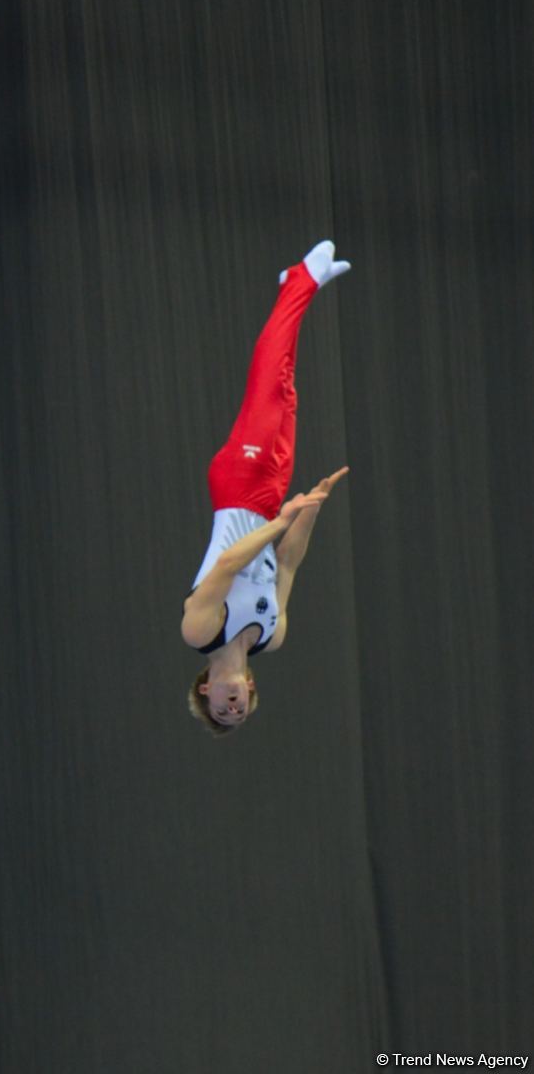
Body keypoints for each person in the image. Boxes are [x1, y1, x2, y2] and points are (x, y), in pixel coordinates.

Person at [181, 240, 351, 736]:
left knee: (267, 382)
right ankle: (292, 289)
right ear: (251, 691)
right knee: (286, 391)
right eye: (238, 712)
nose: (231, 707)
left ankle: (302, 280)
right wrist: (311, 509)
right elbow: (290, 561)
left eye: (220, 709)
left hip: (237, 487)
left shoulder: (199, 630)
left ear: (206, 691)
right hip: (272, 496)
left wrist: (280, 521)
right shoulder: (271, 637)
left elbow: (230, 562)